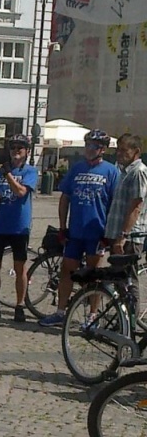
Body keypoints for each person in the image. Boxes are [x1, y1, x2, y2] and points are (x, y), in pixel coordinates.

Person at [39, 129, 120, 327]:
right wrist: (62, 226)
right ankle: (60, 311)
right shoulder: (77, 168)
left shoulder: (111, 171)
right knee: (67, 269)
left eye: (93, 146)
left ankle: (93, 315)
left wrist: (109, 233)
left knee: (92, 273)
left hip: (97, 231)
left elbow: (115, 205)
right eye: (87, 145)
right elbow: (65, 197)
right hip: (75, 230)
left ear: (102, 149)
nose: (89, 149)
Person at [0, 134, 38, 323]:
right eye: (13, 148)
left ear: (27, 151)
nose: (15, 152)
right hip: (0, 224)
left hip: (19, 226)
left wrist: (9, 175)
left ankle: (19, 306)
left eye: (20, 148)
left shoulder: (30, 171)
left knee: (19, 267)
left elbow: (21, 192)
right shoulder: (0, 173)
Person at [103, 134, 147, 316]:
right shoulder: (123, 171)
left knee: (128, 279)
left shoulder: (138, 171)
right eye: (118, 149)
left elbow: (136, 206)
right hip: (117, 234)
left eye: (124, 150)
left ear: (136, 152)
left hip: (129, 237)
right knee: (119, 279)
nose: (119, 154)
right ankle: (123, 319)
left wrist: (123, 235)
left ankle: (131, 322)